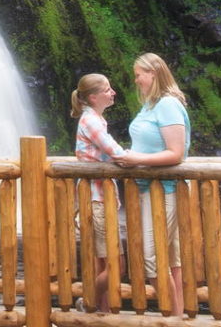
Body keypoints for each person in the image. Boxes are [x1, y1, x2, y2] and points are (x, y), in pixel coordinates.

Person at [113, 52, 190, 317]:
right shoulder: (151, 105)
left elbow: (176, 152)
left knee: (152, 258)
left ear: (153, 74)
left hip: (165, 189)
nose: (136, 81)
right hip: (150, 188)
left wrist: (137, 159)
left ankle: (172, 317)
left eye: (139, 75)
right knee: (170, 259)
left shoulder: (168, 104)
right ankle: (178, 317)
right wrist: (131, 155)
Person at [72, 73, 124, 312]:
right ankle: (88, 301)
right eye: (107, 90)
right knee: (116, 266)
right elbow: (114, 150)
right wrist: (138, 158)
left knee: (106, 261)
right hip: (97, 200)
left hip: (100, 198)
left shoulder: (94, 118)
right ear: (93, 97)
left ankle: (102, 312)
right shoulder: (91, 121)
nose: (113, 92)